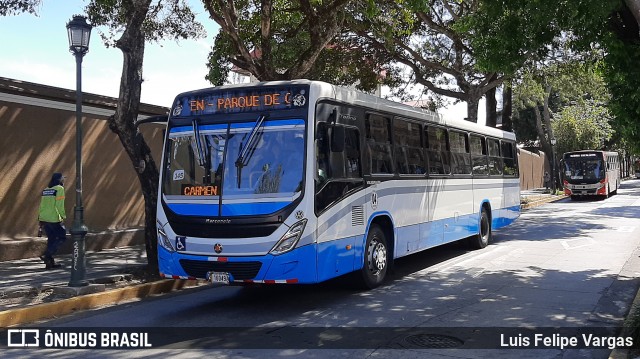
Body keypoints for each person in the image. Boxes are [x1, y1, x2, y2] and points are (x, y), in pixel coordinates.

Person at [38, 173, 67, 269]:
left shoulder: (46, 190)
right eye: (63, 179)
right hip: (54, 218)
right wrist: (63, 216)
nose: (63, 181)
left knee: (51, 239)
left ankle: (49, 263)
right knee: (61, 237)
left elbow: (42, 205)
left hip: (44, 217)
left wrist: (40, 218)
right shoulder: (60, 189)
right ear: (59, 180)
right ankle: (47, 254)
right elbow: (59, 204)